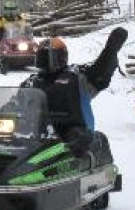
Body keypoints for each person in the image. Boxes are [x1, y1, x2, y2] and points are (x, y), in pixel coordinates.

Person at [21, 27, 128, 165]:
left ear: (62, 56)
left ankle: (82, 163)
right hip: (37, 132)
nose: (48, 60)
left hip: (72, 132)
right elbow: (15, 104)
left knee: (78, 139)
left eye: (51, 56)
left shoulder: (77, 76)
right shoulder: (31, 82)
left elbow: (99, 72)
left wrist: (111, 50)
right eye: (43, 56)